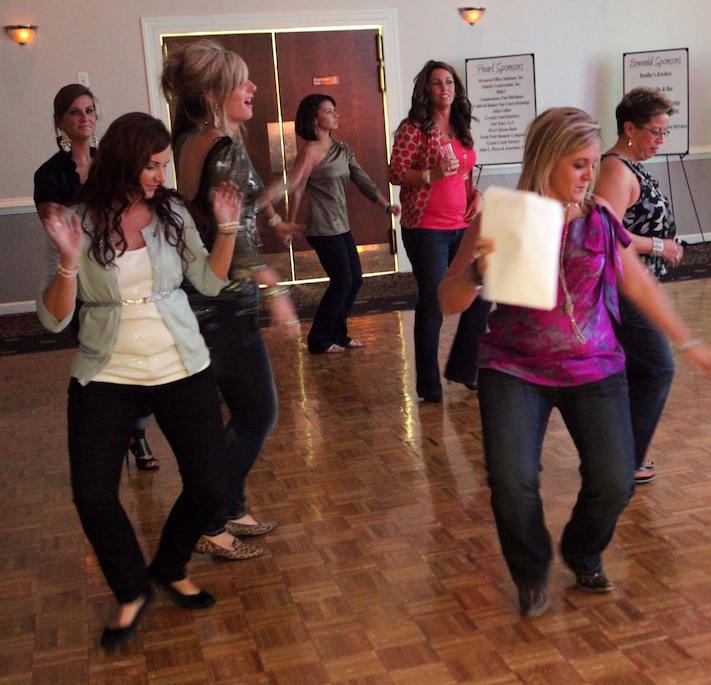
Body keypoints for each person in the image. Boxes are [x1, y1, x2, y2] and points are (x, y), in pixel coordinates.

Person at [438, 107, 711, 619]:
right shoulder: (502, 217)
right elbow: (446, 301)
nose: (590, 176)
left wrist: (688, 341)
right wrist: (480, 271)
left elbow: (637, 282)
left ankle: (582, 549)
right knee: (511, 479)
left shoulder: (599, 219)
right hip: (515, 368)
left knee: (615, 480)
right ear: (546, 160)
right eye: (578, 164)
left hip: (594, 367)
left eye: (593, 164)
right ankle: (530, 572)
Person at [36, 112, 240, 647]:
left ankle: (170, 565)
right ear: (126, 161)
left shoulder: (170, 211)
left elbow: (209, 282)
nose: (159, 176)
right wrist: (67, 262)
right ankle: (132, 589)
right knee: (93, 494)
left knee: (209, 484)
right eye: (151, 166)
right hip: (107, 372)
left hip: (180, 363)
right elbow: (54, 318)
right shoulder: (79, 219)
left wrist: (228, 229)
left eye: (162, 166)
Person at [161, 39, 300, 561]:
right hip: (224, 298)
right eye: (243, 81)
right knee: (259, 411)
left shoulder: (195, 141)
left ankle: (232, 504)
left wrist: (275, 208)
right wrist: (277, 289)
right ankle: (211, 517)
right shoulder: (222, 144)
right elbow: (231, 234)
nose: (253, 87)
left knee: (246, 409)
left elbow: (233, 210)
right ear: (214, 92)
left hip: (209, 293)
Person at [34, 84, 160, 471]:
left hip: (119, 261)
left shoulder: (112, 162)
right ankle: (114, 432)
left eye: (89, 110)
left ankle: (137, 432)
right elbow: (54, 224)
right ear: (61, 121)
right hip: (77, 268)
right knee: (103, 350)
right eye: (75, 112)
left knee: (139, 349)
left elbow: (132, 208)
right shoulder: (50, 173)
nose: (84, 117)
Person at [595, 87, 685, 486]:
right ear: (629, 128)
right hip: (623, 286)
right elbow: (606, 234)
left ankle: (620, 455)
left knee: (636, 371)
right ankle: (627, 460)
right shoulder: (615, 169)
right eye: (655, 132)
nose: (660, 141)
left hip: (635, 284)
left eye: (665, 133)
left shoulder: (629, 164)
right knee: (658, 369)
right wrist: (660, 245)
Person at [389, 60, 490, 403]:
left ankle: (464, 367)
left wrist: (475, 195)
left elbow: (464, 174)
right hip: (426, 228)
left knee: (481, 288)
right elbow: (396, 172)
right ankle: (429, 386)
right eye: (436, 83)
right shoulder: (413, 128)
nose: (444, 88)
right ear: (426, 90)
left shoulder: (460, 126)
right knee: (433, 301)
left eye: (449, 82)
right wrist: (430, 174)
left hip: (462, 225)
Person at [287, 93, 400, 354]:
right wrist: (291, 223)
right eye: (329, 111)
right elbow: (296, 189)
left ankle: (338, 334)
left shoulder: (343, 149)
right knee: (342, 281)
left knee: (354, 279)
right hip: (321, 227)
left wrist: (385, 203)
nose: (335, 115)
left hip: (340, 225)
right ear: (314, 118)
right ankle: (319, 339)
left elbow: (362, 179)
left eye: (334, 110)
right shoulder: (309, 152)